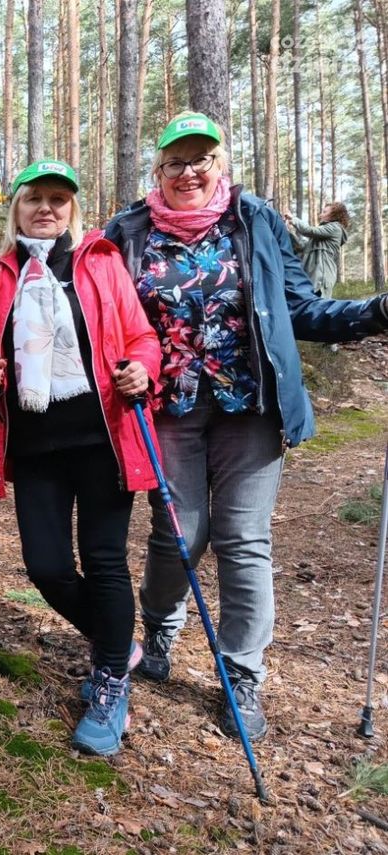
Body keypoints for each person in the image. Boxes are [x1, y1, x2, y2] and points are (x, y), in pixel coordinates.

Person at [104, 113, 388, 741]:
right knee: (180, 533)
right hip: (165, 407)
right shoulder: (128, 230)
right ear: (158, 169)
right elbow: (99, 312)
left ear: (220, 164)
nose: (188, 172)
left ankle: (240, 675)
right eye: (175, 162)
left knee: (243, 538)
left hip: (252, 407)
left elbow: (299, 306)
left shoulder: (254, 218)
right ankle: (160, 628)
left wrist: (374, 312)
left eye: (201, 159)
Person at [0, 160, 162, 756]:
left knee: (104, 561)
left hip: (104, 439)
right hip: (34, 446)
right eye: (35, 199)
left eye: (58, 199)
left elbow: (141, 338)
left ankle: (110, 680)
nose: (46, 208)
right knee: (46, 567)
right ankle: (118, 643)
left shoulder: (100, 262)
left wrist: (142, 370)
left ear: (72, 209)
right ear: (16, 209)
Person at [284, 202, 350, 298]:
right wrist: (286, 231)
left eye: (324, 212)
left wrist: (293, 219)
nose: (320, 215)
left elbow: (308, 230)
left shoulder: (335, 228)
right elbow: (300, 246)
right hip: (313, 275)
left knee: (318, 303)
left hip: (322, 276)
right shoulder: (320, 236)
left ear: (334, 215)